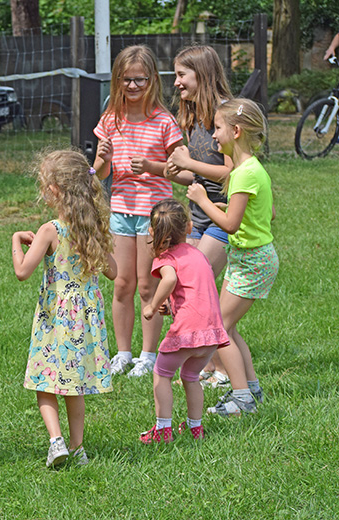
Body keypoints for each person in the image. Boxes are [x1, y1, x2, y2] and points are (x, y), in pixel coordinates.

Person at [12, 149, 117, 468]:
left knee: (45, 379)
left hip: (56, 316)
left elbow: (22, 271)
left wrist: (16, 240)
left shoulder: (50, 230)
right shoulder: (90, 228)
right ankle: (78, 448)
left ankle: (55, 441)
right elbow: (113, 271)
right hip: (84, 317)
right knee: (74, 383)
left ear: (54, 190)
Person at [92, 45, 183, 377]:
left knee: (148, 286)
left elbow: (182, 170)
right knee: (121, 283)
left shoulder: (163, 121)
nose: (132, 87)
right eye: (126, 80)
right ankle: (123, 352)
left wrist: (152, 166)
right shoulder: (110, 119)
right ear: (118, 80)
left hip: (152, 215)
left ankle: (148, 355)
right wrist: (102, 157)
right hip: (121, 211)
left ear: (153, 80)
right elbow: (100, 173)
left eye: (139, 80)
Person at [186, 98, 278, 416]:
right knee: (227, 325)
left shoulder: (244, 173)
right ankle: (250, 390)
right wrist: (231, 206)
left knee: (220, 327)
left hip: (252, 261)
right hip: (247, 258)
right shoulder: (249, 169)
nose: (213, 135)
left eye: (219, 128)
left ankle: (241, 399)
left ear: (236, 131)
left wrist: (203, 198)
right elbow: (269, 212)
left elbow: (230, 225)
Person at [165, 44, 234, 388]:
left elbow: (233, 171)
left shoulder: (225, 115)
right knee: (188, 293)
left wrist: (189, 162)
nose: (176, 82)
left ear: (201, 75)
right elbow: (198, 177)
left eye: (181, 74)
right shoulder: (193, 115)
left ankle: (223, 372)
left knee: (197, 291)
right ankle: (205, 368)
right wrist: (171, 170)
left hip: (223, 217)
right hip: (199, 216)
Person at [139, 198, 229, 444]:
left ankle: (163, 430)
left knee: (162, 373)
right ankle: (195, 428)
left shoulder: (167, 258)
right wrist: (173, 304)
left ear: (152, 232)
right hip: (211, 334)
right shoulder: (198, 254)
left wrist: (152, 306)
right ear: (189, 227)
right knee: (190, 377)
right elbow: (193, 288)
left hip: (188, 332)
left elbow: (168, 280)